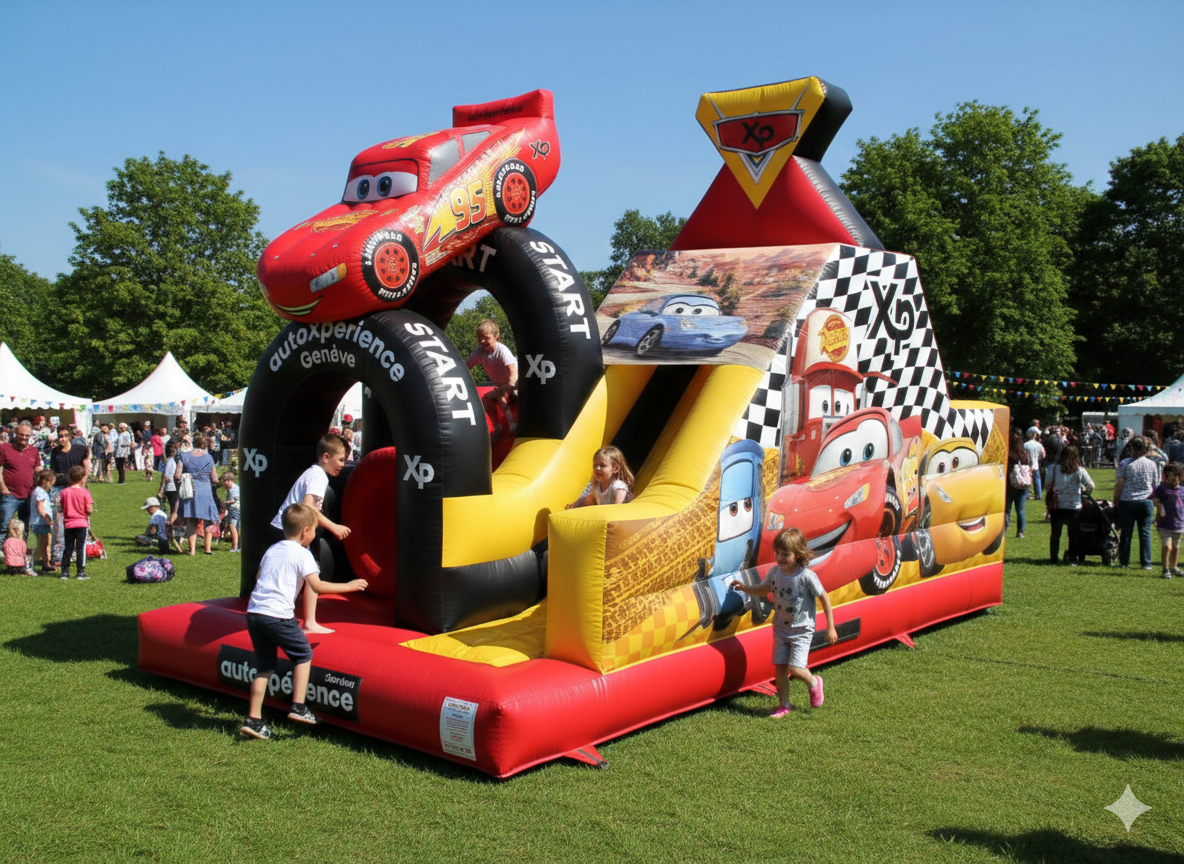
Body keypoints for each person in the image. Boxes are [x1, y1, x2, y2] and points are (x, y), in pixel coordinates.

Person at [240, 503, 369, 740]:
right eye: (315, 531)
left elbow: (258, 576)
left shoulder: (273, 549)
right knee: (303, 655)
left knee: (264, 668)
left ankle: (254, 720)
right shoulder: (303, 554)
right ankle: (298, 706)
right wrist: (349, 586)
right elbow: (317, 586)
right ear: (305, 531)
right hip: (278, 616)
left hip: (255, 614)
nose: (314, 535)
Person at [731, 527, 837, 716]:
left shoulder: (806, 577)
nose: (780, 557)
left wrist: (831, 627)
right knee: (780, 668)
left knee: (796, 669)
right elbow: (764, 589)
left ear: (798, 554)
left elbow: (824, 598)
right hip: (780, 629)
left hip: (801, 630)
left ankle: (814, 682)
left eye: (785, 554)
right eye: (777, 553)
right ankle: (784, 705)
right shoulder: (774, 573)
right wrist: (746, 588)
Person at [269, 433, 352, 634]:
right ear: (326, 457)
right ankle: (304, 621)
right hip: (291, 530)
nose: (343, 465)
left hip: (290, 529)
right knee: (307, 572)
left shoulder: (314, 473)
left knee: (309, 571)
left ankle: (305, 620)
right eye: (341, 460)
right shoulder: (318, 476)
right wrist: (333, 526)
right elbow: (308, 507)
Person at [466, 319, 518, 441]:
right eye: (479, 338)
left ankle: (513, 425)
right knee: (487, 398)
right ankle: (497, 427)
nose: (482, 341)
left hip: (516, 381)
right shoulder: (480, 352)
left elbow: (513, 370)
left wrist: (510, 385)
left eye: (486, 337)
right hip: (501, 384)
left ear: (496, 337)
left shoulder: (502, 350)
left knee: (500, 395)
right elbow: (467, 365)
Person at [170, 434, 221, 556]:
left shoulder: (184, 455)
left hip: (190, 491)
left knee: (192, 521)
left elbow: (177, 475)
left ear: (193, 443)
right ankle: (207, 549)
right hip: (205, 491)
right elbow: (215, 478)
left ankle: (192, 550)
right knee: (208, 520)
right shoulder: (209, 457)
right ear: (205, 445)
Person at [1114, 436, 1160, 571]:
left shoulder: (1125, 463)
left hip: (1127, 500)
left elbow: (1119, 483)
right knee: (1145, 533)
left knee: (1126, 532)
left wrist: (1116, 499)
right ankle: (1146, 562)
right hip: (1146, 501)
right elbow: (1155, 484)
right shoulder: (1152, 464)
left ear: (1132, 448)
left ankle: (1124, 561)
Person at [1045, 446, 1095, 566]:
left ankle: (1054, 558)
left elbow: (1047, 485)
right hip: (1074, 505)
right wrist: (1085, 492)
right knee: (1073, 534)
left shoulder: (1053, 468)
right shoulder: (1080, 470)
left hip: (1057, 505)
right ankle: (1072, 558)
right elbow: (1091, 486)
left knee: (1055, 533)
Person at [49, 426, 91, 569]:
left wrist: (83, 481)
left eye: (65, 436)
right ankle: (58, 555)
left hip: (77, 489)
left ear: (70, 436)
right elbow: (53, 472)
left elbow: (86, 461)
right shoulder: (55, 452)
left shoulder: (80, 449)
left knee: (80, 521)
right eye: (60, 436)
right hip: (59, 489)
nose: (62, 439)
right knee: (59, 524)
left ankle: (78, 553)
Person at [0, 422, 41, 542]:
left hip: (28, 495)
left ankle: (21, 548)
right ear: (15, 433)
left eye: (27, 435)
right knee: (3, 525)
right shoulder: (4, 448)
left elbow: (37, 469)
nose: (24, 437)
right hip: (10, 494)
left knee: (25, 526)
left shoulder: (33, 451)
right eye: (21, 434)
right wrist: (3, 487)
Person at [567, 446, 635, 508]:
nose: (597, 468)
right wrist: (573, 506)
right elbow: (583, 498)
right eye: (595, 465)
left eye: (602, 465)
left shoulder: (618, 485)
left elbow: (617, 507)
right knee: (589, 498)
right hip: (605, 513)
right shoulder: (595, 485)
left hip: (621, 513)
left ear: (615, 468)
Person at [59, 464, 94, 580]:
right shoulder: (85, 492)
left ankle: (64, 572)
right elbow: (88, 509)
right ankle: (81, 571)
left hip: (68, 523)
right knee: (80, 548)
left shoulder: (64, 492)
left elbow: (62, 506)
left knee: (68, 547)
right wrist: (89, 511)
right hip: (81, 523)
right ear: (82, 478)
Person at [1150, 462, 1184, 579]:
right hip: (1164, 523)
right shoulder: (1162, 488)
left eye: (1174, 476)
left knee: (1176, 547)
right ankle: (1165, 569)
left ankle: (1174, 567)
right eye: (1168, 476)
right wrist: (1160, 508)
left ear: (1179, 476)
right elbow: (1155, 499)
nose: (1171, 479)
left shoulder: (1182, 490)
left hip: (1179, 523)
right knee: (1166, 546)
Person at [1005, 430, 1032, 539]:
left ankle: (1004, 530)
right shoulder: (1025, 453)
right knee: (1020, 509)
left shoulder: (1008, 453)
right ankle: (1020, 531)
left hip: (1010, 483)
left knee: (1007, 509)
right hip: (1024, 483)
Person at [29, 468, 55, 573]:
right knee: (39, 545)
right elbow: (40, 508)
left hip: (41, 523)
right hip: (39, 523)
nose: (51, 486)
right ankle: (30, 564)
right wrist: (48, 520)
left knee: (45, 545)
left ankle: (46, 563)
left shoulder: (40, 491)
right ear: (45, 481)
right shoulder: (40, 492)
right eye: (50, 483)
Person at [1023, 430, 1046, 502]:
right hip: (1036, 464)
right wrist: (1039, 458)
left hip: (1028, 464)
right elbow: (1043, 455)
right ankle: (1038, 494)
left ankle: (1027, 494)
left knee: (1028, 479)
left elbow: (1024, 454)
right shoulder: (1039, 445)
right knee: (1037, 479)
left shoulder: (1025, 444)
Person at [158, 441, 179, 516]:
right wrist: (161, 490)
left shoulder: (173, 461)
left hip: (173, 487)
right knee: (174, 508)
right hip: (171, 488)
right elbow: (166, 477)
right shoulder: (171, 462)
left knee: (174, 508)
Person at [221, 471, 240, 552]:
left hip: (234, 510)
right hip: (238, 509)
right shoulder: (236, 487)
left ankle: (234, 546)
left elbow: (233, 500)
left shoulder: (233, 489)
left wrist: (224, 503)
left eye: (224, 481)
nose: (224, 484)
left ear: (229, 481)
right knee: (237, 528)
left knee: (233, 527)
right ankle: (239, 546)